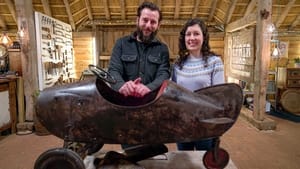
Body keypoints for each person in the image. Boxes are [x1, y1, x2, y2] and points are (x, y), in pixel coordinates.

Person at [107, 2, 170, 149]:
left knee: (153, 153)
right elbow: (113, 70)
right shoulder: (121, 44)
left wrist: (148, 88)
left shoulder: (163, 49)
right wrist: (122, 85)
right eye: (145, 20)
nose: (148, 25)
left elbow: (164, 73)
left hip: (153, 110)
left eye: (153, 22)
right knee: (130, 152)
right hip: (126, 110)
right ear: (137, 20)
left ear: (158, 25)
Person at [171, 18, 225, 151]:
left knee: (203, 160)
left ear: (204, 37)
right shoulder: (178, 64)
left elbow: (219, 98)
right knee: (185, 159)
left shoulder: (215, 62)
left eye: (196, 34)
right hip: (183, 123)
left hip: (205, 124)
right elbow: (174, 94)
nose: (191, 38)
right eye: (188, 34)